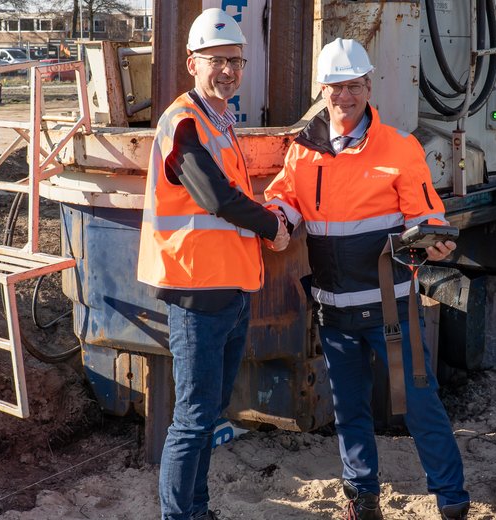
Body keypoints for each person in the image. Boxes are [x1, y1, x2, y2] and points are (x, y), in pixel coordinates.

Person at [264, 38, 470, 520]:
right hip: (334, 311)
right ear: (322, 89)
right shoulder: (302, 152)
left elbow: (426, 214)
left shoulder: (399, 148)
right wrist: (272, 220)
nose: (345, 96)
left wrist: (435, 238)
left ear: (368, 86)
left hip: (391, 310)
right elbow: (285, 203)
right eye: (336, 87)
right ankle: (363, 502)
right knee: (350, 413)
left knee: (420, 407)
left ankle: (453, 503)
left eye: (353, 86)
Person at [136, 8, 290, 520]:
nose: (228, 71)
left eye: (236, 61)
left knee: (208, 416)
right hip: (197, 290)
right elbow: (214, 197)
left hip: (230, 289)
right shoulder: (184, 123)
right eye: (217, 61)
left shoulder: (219, 122)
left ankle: (197, 511)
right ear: (192, 63)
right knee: (192, 419)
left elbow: (232, 197)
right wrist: (272, 226)